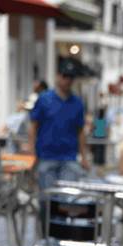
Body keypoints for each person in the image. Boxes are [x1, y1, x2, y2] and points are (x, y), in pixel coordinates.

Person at [29, 59, 88, 190]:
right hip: (46, 157)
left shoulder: (77, 103)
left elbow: (80, 131)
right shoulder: (44, 99)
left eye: (71, 77)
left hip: (69, 158)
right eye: (65, 76)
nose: (67, 80)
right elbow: (33, 127)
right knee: (46, 200)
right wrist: (32, 153)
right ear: (58, 76)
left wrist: (84, 157)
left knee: (67, 201)